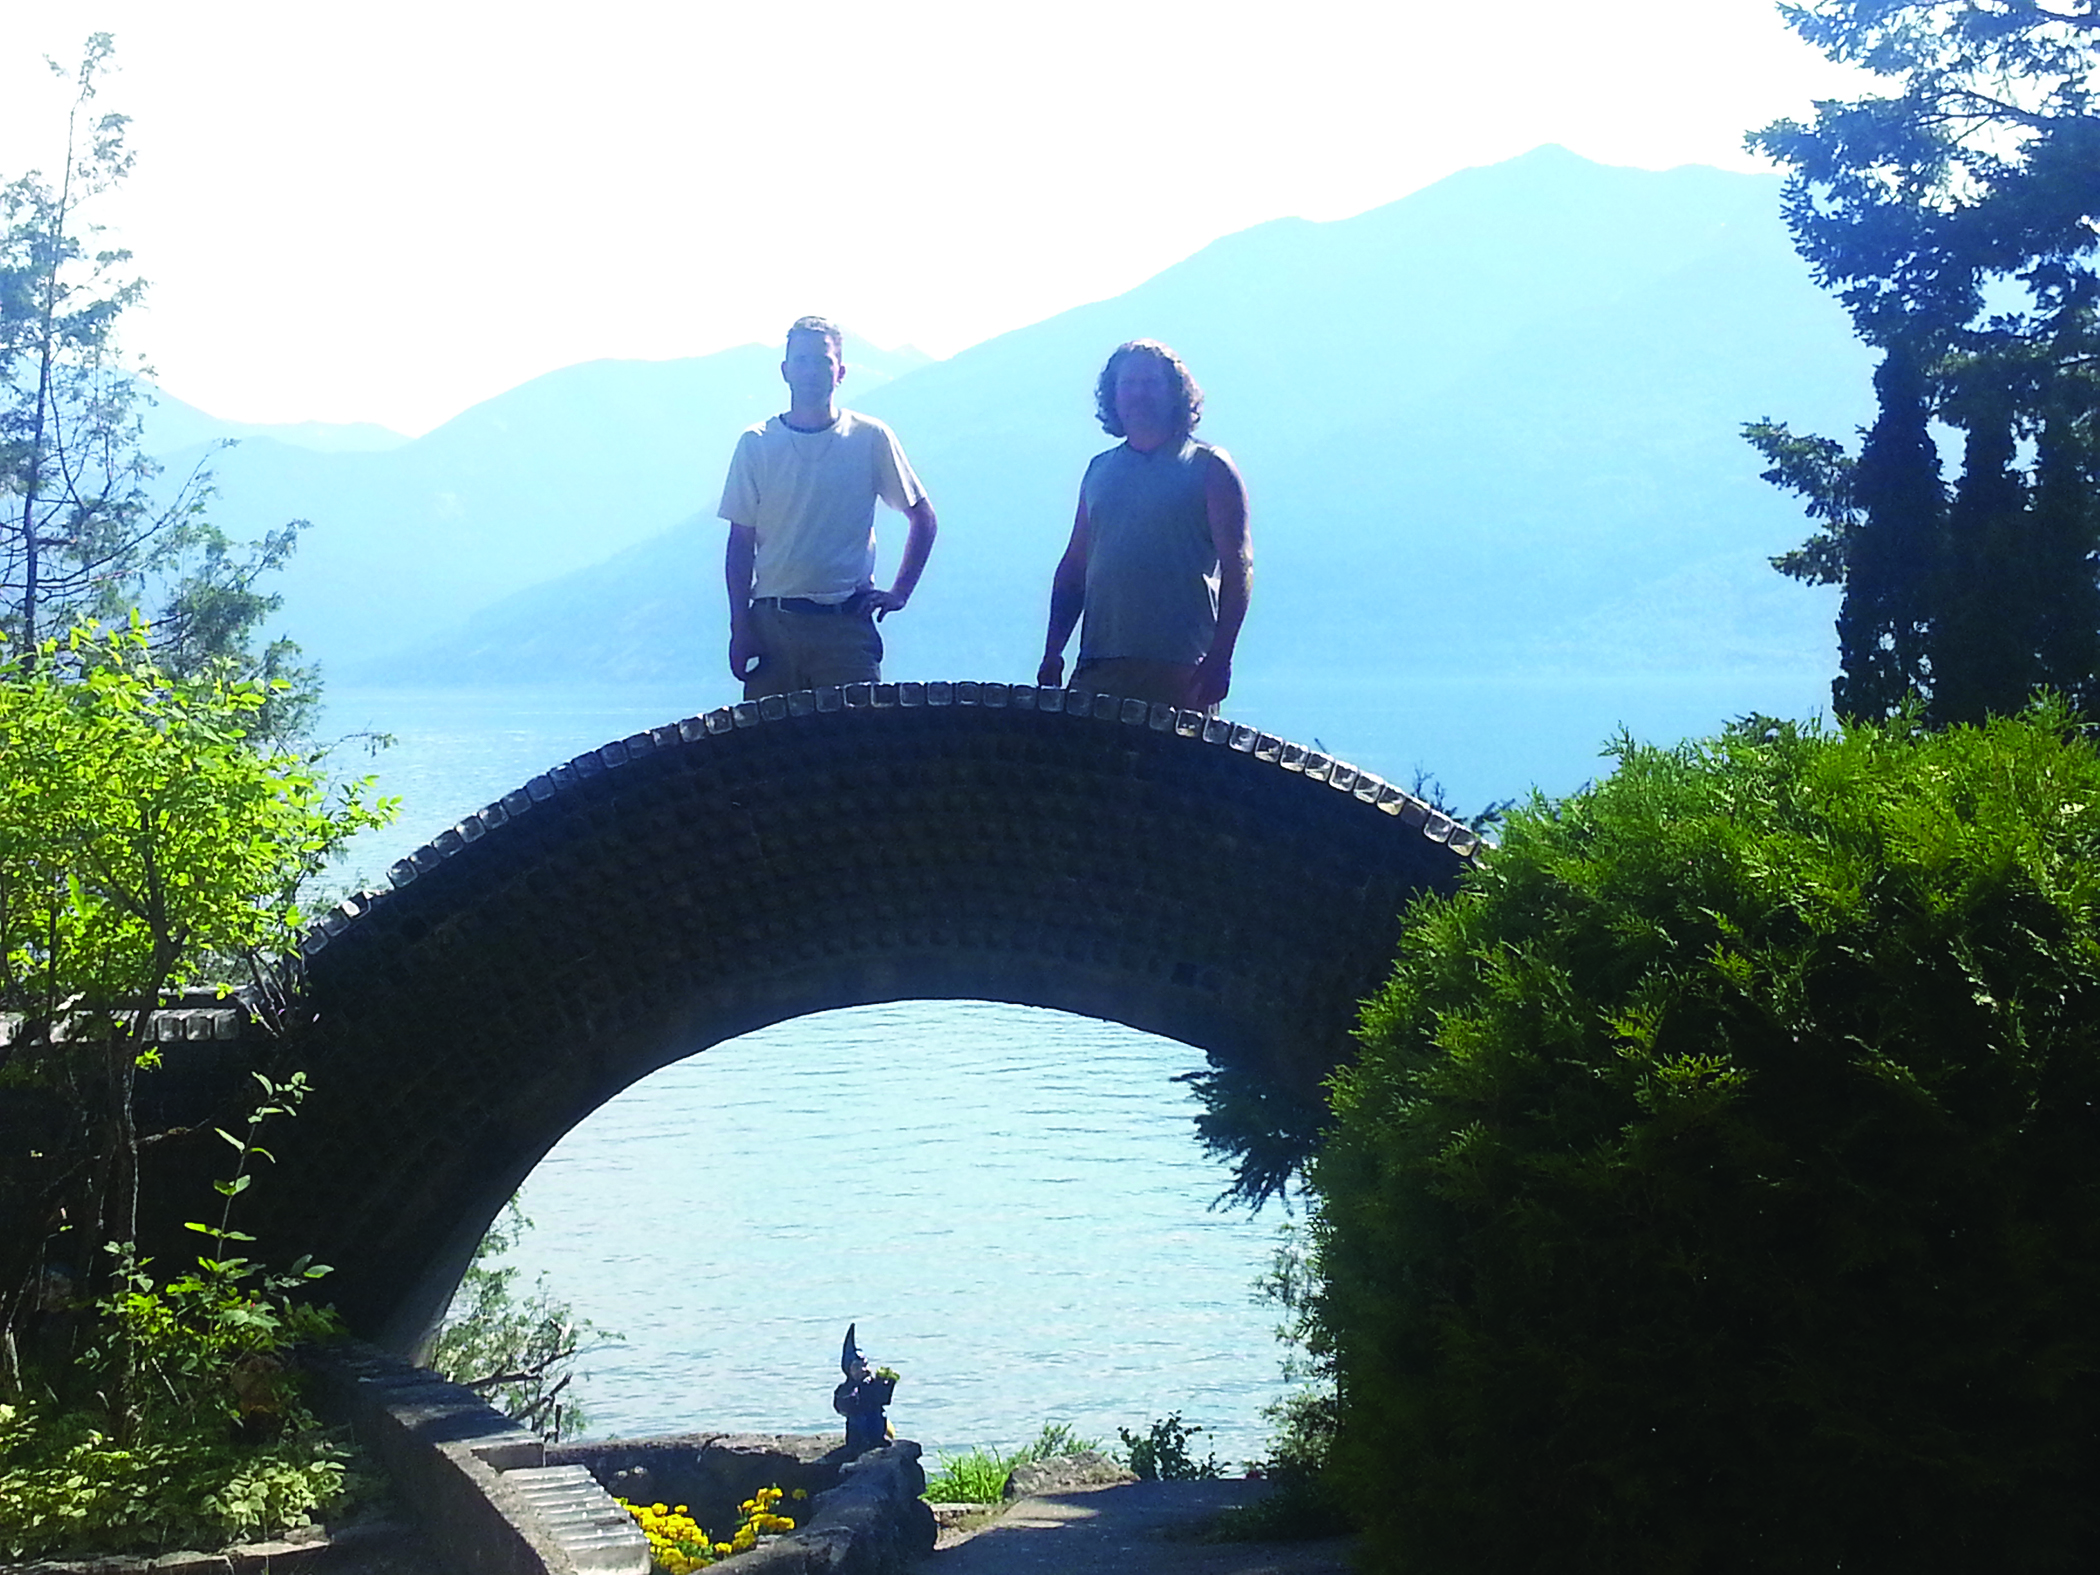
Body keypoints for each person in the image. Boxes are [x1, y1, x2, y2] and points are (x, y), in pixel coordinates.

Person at [719, 317, 939, 698]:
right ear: (785, 371)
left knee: (856, 736)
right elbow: (740, 543)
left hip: (845, 628)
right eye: (801, 361)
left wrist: (900, 592)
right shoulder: (756, 444)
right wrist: (740, 627)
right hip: (773, 628)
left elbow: (923, 517)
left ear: (840, 372)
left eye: (822, 361)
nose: (811, 371)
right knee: (768, 736)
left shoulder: (870, 438)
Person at [1037, 340, 1250, 712]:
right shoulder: (1099, 470)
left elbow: (1239, 567)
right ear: (1114, 395)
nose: (1139, 393)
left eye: (1151, 383)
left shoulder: (1209, 467)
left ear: (1174, 393)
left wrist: (1221, 656)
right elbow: (1074, 568)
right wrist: (1053, 651)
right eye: (1129, 384)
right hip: (1098, 664)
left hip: (1181, 669)